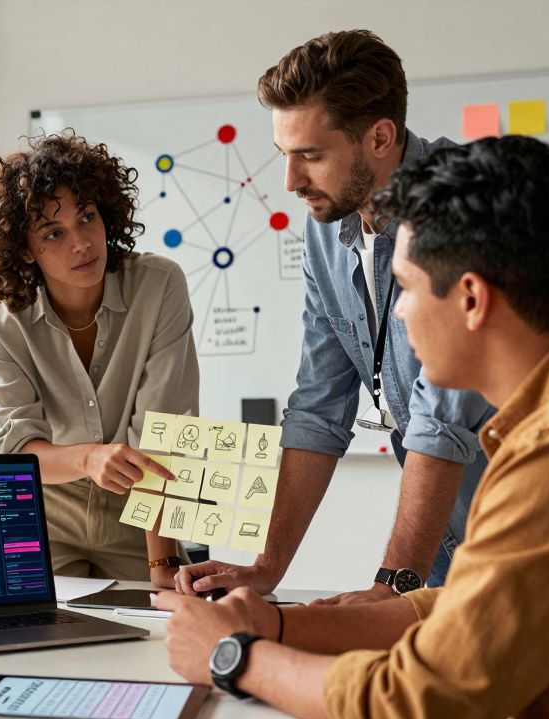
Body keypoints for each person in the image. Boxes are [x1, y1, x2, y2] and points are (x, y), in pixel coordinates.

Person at [153, 136, 549, 719]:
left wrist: (234, 658)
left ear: (470, 298)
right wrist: (278, 625)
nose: (400, 313)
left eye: (405, 286)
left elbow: (419, 705)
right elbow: (475, 611)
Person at [177, 30, 495, 604]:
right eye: (284, 155)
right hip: (454, 547)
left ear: (379, 136)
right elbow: (319, 406)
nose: (291, 182)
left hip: (535, 533)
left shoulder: (461, 207)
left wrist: (391, 584)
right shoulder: (327, 227)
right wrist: (264, 571)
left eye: (311, 156)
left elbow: (440, 419)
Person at [0, 132, 198, 585]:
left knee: (161, 635)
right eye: (54, 232)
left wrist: (163, 566)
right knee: (34, 644)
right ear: (25, 249)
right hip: (45, 511)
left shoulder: (160, 285)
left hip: (141, 509)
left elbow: (166, 436)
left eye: (87, 217)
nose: (82, 242)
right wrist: (89, 459)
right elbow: (19, 448)